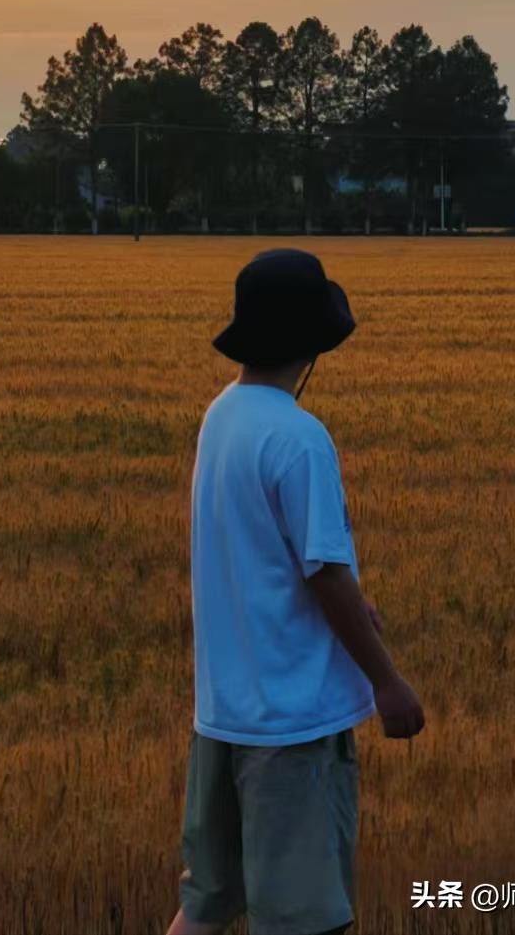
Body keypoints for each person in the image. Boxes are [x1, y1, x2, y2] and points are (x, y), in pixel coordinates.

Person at [165, 248, 425, 935]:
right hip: (292, 724)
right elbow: (325, 572)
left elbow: (265, 554)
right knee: (310, 921)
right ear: (313, 344)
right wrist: (387, 682)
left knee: (206, 903)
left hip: (222, 713)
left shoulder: (222, 416)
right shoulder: (299, 437)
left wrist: (346, 605)